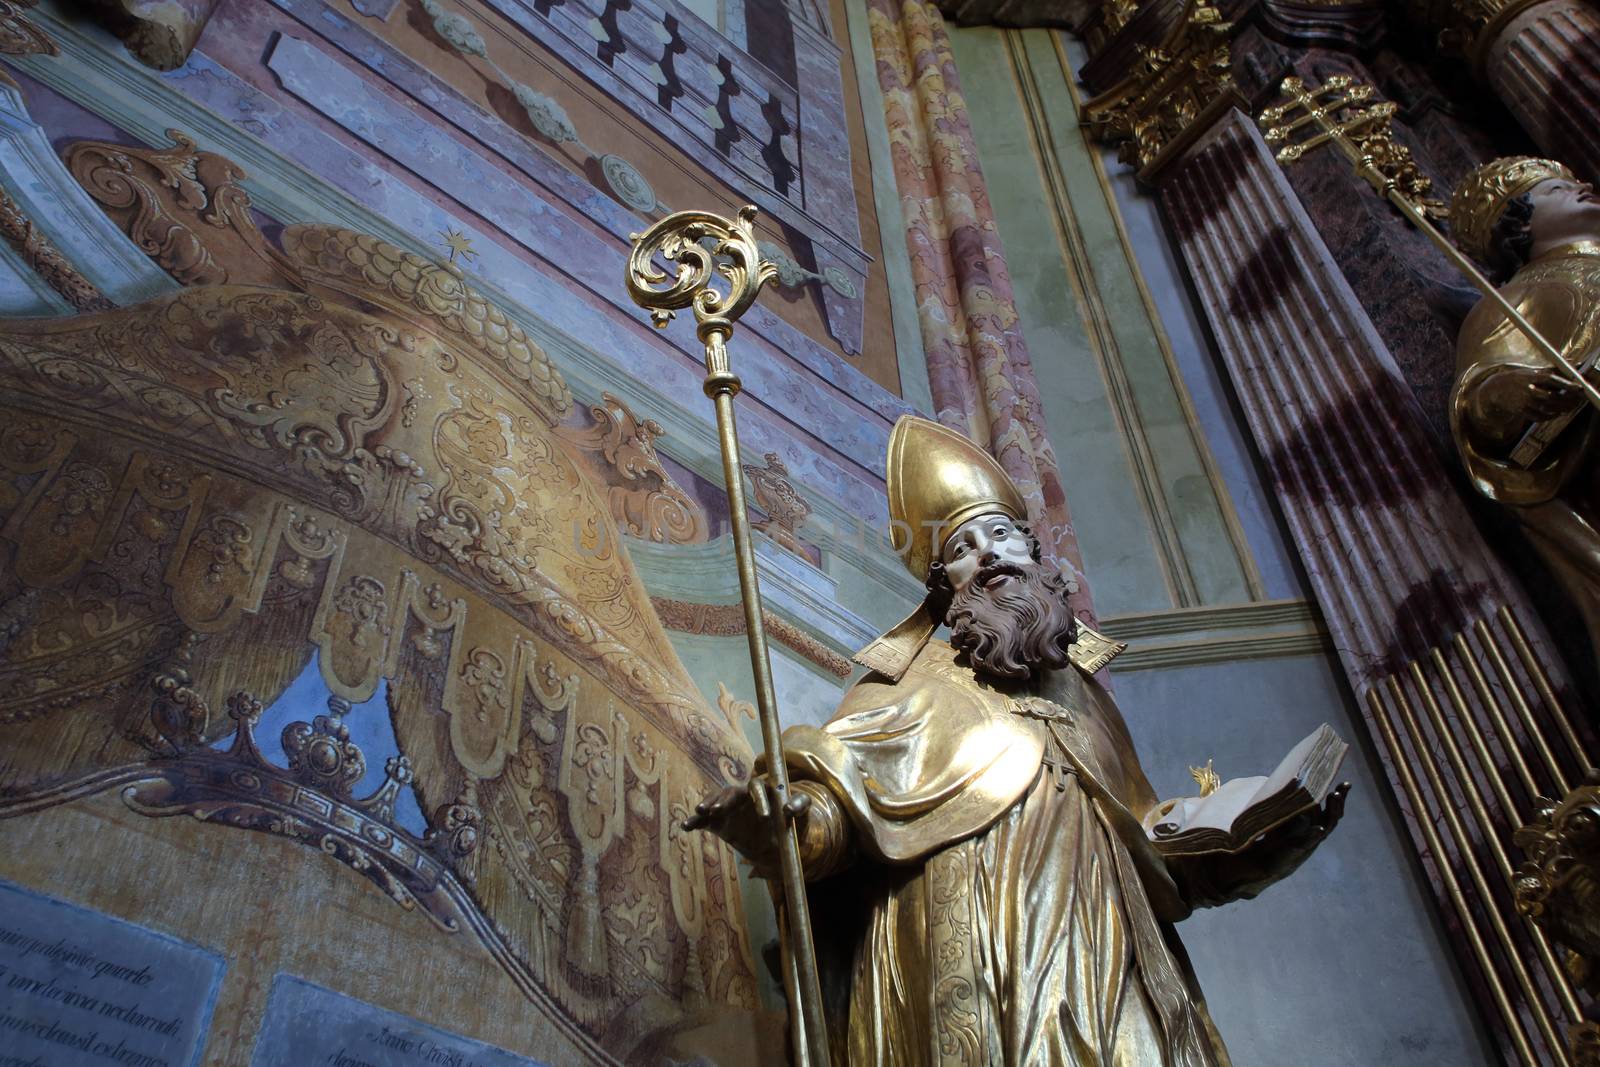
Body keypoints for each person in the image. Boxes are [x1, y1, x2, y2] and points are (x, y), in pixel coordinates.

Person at [688, 416, 1348, 1066]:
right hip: (977, 959)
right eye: (963, 547)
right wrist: (791, 817)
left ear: (1034, 554)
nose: (991, 554)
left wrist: (1261, 837)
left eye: (1003, 535)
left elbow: (1156, 847)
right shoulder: (904, 686)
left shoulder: (1087, 700)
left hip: (1117, 962)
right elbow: (843, 801)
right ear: (944, 589)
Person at [1449, 157, 1600, 663]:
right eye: (1559, 188)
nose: (1583, 187)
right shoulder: (1511, 304)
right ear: (1520, 223)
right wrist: (1513, 391)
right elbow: (1480, 403)